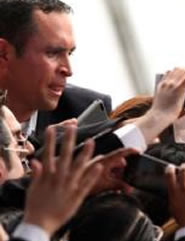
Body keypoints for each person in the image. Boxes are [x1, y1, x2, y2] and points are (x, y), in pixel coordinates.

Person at [0, 0, 111, 139]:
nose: (68, 71)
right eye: (52, 53)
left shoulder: (84, 111)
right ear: (4, 53)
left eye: (70, 53)